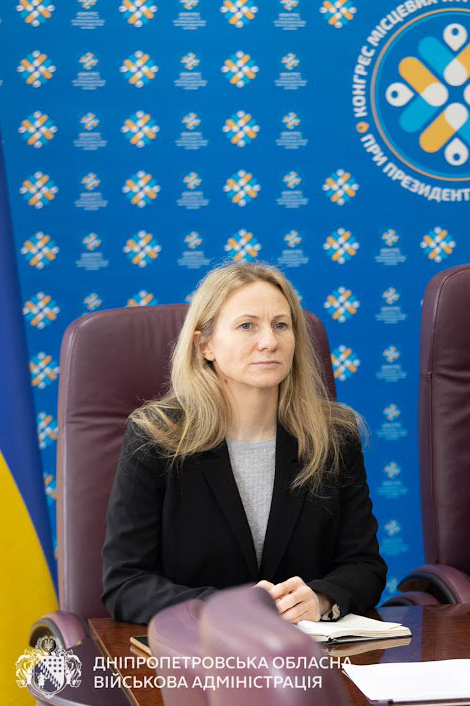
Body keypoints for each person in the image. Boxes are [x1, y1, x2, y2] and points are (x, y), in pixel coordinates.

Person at [102, 262, 387, 624]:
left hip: (307, 649)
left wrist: (320, 598)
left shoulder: (333, 436)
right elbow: (126, 583)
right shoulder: (156, 437)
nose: (269, 341)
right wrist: (223, 609)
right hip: (198, 649)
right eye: (247, 326)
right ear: (205, 345)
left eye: (281, 325)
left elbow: (364, 565)